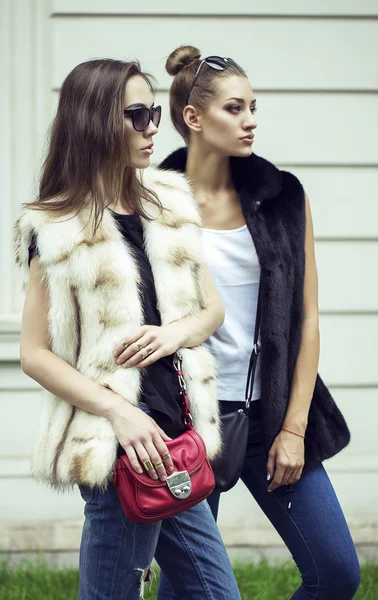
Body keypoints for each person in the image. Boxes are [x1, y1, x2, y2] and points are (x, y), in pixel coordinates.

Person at [15, 58, 242, 600]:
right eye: (136, 115)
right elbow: (34, 353)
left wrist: (173, 334)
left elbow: (211, 310)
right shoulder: (55, 226)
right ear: (95, 121)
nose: (152, 128)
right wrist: (119, 412)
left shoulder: (171, 204)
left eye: (154, 113)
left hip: (176, 438)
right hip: (119, 449)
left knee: (216, 593)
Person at [157, 46, 361, 600]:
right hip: (186, 423)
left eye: (253, 107)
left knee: (337, 572)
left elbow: (308, 318)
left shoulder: (283, 196)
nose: (250, 121)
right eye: (234, 108)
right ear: (194, 119)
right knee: (192, 592)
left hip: (271, 414)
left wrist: (293, 428)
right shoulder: (151, 205)